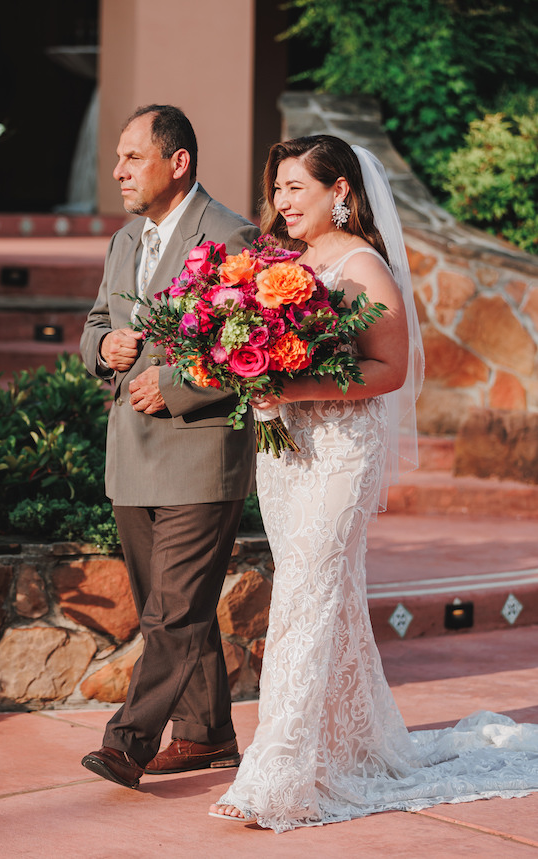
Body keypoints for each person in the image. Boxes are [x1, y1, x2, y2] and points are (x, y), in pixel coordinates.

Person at [208, 135, 538, 831]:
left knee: (306, 593)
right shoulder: (277, 264)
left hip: (338, 454)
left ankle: (279, 771)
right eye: (277, 188)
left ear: (341, 192)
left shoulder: (364, 267)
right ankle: (351, 745)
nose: (281, 201)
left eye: (296, 187)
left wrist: (290, 384)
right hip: (286, 453)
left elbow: (387, 370)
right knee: (324, 591)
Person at [79, 104, 259, 789]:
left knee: (173, 611)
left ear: (177, 161)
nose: (118, 170)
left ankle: (128, 740)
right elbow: (96, 322)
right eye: (118, 158)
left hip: (200, 454)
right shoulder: (125, 241)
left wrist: (178, 381)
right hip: (132, 456)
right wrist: (106, 346)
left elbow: (248, 345)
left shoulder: (231, 235)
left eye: (132, 157)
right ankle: (207, 732)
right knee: (177, 608)